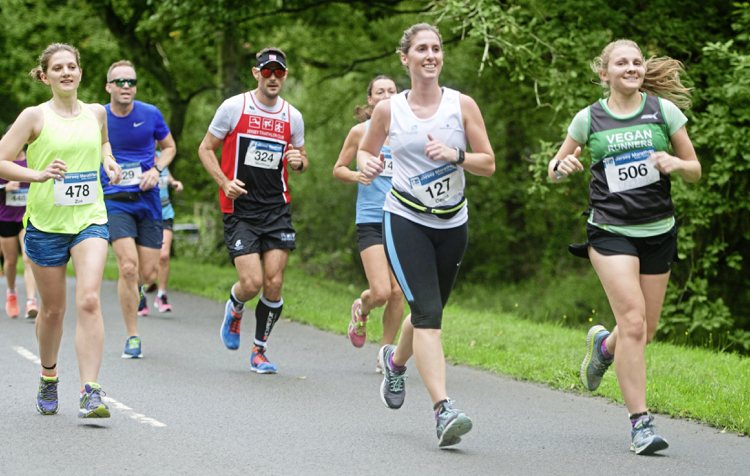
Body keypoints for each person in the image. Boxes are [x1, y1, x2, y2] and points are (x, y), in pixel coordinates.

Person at [548, 39, 701, 455]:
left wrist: (676, 164)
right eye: (622, 62)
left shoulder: (662, 112)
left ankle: (603, 348)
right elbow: (556, 167)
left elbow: (695, 169)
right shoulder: (589, 119)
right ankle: (640, 424)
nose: (631, 67)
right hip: (610, 232)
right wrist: (562, 167)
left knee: (644, 330)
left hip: (658, 230)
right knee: (632, 322)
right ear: (605, 73)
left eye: (636, 62)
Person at [358, 24, 495, 448]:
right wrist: (367, 164)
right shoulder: (389, 110)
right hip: (405, 219)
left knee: (425, 314)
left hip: (453, 223)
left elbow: (487, 163)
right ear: (406, 58)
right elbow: (366, 148)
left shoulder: (461, 105)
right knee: (430, 315)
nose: (430, 55)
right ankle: (443, 410)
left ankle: (395, 364)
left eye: (436, 48)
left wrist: (455, 155)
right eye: (422, 49)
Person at [0, 43, 121, 418]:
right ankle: (49, 375)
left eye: (72, 66)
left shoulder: (97, 113)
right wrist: (35, 174)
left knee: (88, 299)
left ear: (81, 73)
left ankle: (91, 391)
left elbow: (103, 144)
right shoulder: (33, 117)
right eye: (58, 68)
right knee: (53, 311)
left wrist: (110, 161)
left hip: (89, 219)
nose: (66, 72)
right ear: (45, 76)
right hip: (46, 225)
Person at [198, 47, 307, 374]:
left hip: (276, 208)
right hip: (240, 207)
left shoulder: (292, 116)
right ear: (255, 73)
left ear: (285, 75)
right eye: (267, 71)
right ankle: (235, 306)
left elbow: (301, 158)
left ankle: (259, 350)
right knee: (252, 282)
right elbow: (205, 149)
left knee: (273, 283)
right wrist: (223, 182)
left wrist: (299, 162)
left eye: (279, 72)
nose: (273, 77)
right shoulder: (234, 107)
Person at [102, 60, 177, 359]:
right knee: (128, 267)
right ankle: (132, 335)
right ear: (108, 86)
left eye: (130, 82)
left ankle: (139, 291)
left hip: (148, 200)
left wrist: (156, 169)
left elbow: (169, 147)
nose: (126, 87)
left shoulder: (150, 114)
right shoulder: (98, 117)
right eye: (119, 82)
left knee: (147, 272)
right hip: (115, 199)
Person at [332, 75, 405, 371]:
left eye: (392, 90)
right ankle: (362, 307)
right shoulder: (359, 132)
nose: (386, 95)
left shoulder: (407, 133)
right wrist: (357, 175)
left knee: (399, 292)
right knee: (382, 292)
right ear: (371, 99)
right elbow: (338, 169)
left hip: (403, 218)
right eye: (380, 91)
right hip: (372, 219)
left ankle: (385, 353)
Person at [0, 127, 38, 320]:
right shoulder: (2, 159)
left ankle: (31, 301)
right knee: (10, 261)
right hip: (5, 218)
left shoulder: (30, 158)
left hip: (26, 217)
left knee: (28, 257)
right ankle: (12, 292)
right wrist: (5, 187)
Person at [153, 164, 183, 312]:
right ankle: (140, 293)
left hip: (165, 213)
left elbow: (169, 178)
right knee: (145, 262)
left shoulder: (162, 156)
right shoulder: (140, 153)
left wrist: (175, 183)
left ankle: (161, 294)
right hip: (147, 214)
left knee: (164, 255)